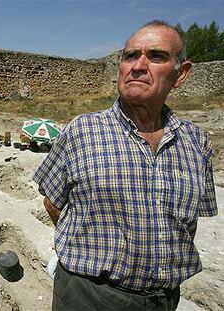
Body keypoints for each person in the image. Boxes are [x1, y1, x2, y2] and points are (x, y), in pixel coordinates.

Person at [33, 20, 218, 311]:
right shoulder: (82, 131)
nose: (138, 66)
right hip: (87, 296)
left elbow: (188, 225)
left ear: (181, 74)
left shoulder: (197, 143)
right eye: (130, 56)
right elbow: (51, 202)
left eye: (156, 56)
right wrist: (82, 243)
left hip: (163, 299)